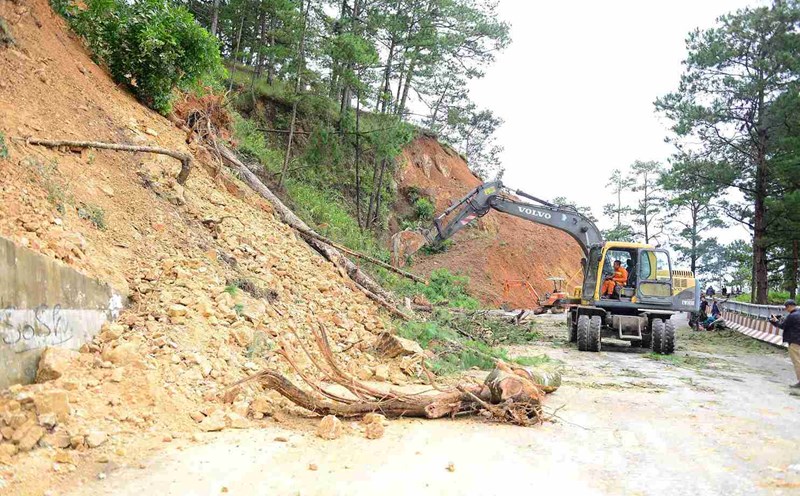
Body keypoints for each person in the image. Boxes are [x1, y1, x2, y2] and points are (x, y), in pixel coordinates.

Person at [769, 299, 800, 391]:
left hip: (795, 341)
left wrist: (774, 321)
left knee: (797, 362)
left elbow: (782, 326)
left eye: (786, 307)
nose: (786, 309)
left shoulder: (792, 316)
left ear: (789, 306)